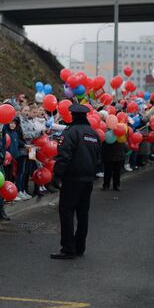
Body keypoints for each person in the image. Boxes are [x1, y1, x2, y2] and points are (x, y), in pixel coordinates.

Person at [51, 103, 101, 259]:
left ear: (72, 116)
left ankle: (68, 248)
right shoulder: (93, 134)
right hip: (88, 179)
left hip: (72, 178)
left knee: (66, 212)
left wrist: (57, 175)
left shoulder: (70, 132)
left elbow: (64, 156)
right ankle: (80, 246)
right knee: (83, 213)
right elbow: (99, 157)